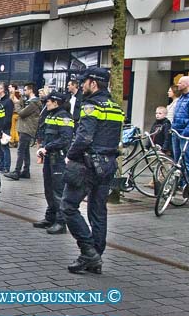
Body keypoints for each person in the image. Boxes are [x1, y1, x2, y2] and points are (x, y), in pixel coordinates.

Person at [62, 68, 123, 274]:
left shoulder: (90, 104)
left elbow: (84, 137)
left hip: (87, 165)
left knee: (68, 207)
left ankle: (88, 251)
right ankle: (95, 257)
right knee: (98, 212)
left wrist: (70, 155)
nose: (81, 85)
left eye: (84, 82)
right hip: (107, 165)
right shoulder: (116, 107)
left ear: (93, 83)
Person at [33, 92, 73, 235]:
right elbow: (48, 135)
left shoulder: (64, 117)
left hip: (59, 159)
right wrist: (43, 148)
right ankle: (50, 218)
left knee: (58, 191)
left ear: (56, 102)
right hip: (50, 158)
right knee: (49, 189)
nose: (46, 103)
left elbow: (65, 139)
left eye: (48, 101)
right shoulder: (51, 115)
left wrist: (47, 147)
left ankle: (61, 223)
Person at [6, 83, 41, 180]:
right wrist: (19, 100)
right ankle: (26, 171)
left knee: (21, 150)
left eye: (25, 90)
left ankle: (17, 171)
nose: (24, 92)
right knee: (25, 151)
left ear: (31, 90)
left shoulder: (34, 103)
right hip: (25, 128)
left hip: (27, 128)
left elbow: (21, 113)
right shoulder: (29, 101)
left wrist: (16, 103)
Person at [0, 83, 14, 173]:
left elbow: (8, 116)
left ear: (3, 89)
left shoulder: (8, 101)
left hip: (5, 127)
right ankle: (1, 165)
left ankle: (6, 166)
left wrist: (3, 127)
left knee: (5, 147)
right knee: (0, 147)